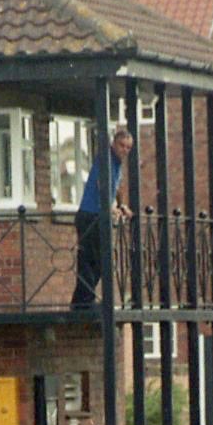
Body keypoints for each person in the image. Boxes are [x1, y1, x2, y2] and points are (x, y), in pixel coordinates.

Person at [71, 126, 134, 306]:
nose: (125, 150)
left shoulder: (117, 163)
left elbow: (117, 186)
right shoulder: (106, 159)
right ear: (114, 143)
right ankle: (83, 302)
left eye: (128, 148)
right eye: (122, 145)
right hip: (89, 216)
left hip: (97, 216)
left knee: (98, 261)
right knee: (91, 259)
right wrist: (111, 206)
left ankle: (82, 301)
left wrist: (121, 205)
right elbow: (102, 184)